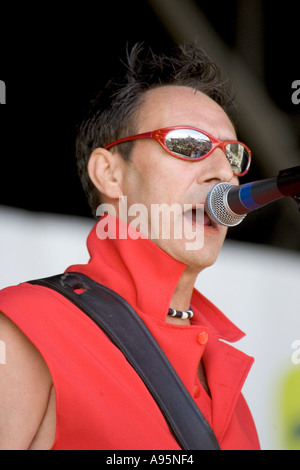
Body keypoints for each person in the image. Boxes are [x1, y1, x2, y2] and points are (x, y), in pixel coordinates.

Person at [0, 43, 260, 450]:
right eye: (188, 144)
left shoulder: (227, 380)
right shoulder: (22, 324)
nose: (224, 173)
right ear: (110, 174)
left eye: (233, 155)